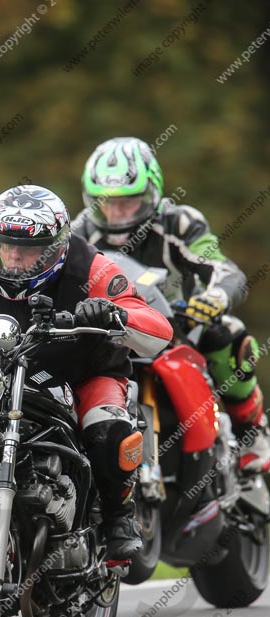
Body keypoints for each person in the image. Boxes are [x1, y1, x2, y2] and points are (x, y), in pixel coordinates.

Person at [0, 185, 172, 559]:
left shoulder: (91, 267)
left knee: (109, 431)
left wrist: (111, 312)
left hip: (83, 372)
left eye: (27, 251)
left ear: (58, 246)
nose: (14, 259)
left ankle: (119, 515)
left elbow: (157, 329)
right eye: (5, 247)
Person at [72, 136, 270, 473]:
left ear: (151, 194)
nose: (118, 212)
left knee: (229, 333)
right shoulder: (79, 232)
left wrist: (215, 297)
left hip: (181, 327)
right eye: (108, 202)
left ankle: (252, 433)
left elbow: (225, 269)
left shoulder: (179, 222)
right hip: (112, 332)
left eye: (129, 202)